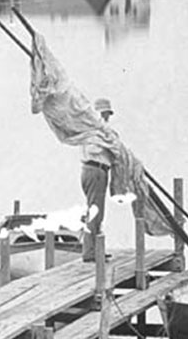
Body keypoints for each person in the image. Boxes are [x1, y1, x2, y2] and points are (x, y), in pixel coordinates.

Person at [80, 98, 115, 262]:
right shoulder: (92, 130)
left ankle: (96, 249)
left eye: (107, 114)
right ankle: (89, 252)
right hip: (95, 170)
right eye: (104, 114)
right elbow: (94, 148)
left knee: (97, 212)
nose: (106, 117)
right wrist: (109, 143)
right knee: (94, 212)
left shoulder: (99, 131)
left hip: (98, 170)